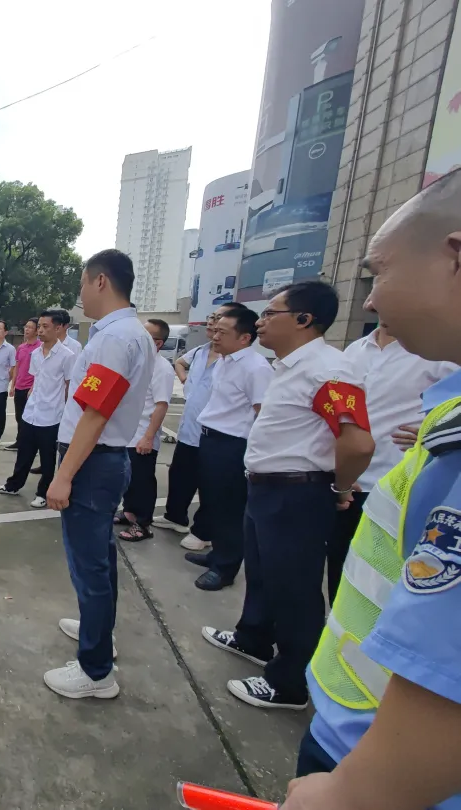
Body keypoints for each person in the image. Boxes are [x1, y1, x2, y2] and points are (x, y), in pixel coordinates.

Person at [279, 168, 461, 810]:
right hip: (359, 723)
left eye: (379, 272)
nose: (370, 300)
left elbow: (448, 672)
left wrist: (352, 794)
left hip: (378, 769)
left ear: (456, 258)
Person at [202, 281, 374, 711]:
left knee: (294, 587)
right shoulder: (288, 366)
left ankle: (291, 681)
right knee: (261, 573)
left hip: (296, 494)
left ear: (303, 319)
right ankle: (253, 638)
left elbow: (357, 443)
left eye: (270, 314)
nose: (259, 322)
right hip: (266, 488)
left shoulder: (328, 370)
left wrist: (339, 486)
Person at [44, 249, 153, 700]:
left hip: (92, 461)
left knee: (89, 566)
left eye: (83, 284)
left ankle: (95, 673)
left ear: (101, 281)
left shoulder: (115, 339)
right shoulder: (129, 334)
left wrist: (63, 476)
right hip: (105, 459)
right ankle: (99, 633)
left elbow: (94, 413)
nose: (80, 295)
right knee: (101, 561)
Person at [327, 313, 456, 604]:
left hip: (397, 484)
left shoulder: (434, 352)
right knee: (341, 562)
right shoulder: (355, 350)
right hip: (349, 479)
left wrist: (431, 432)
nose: (372, 301)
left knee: (385, 572)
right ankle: (339, 628)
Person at [182, 307, 273, 590]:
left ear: (245, 337)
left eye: (223, 332)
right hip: (210, 439)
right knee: (213, 503)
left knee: (231, 509)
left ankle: (225, 568)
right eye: (215, 330)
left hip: (234, 445)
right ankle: (217, 554)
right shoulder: (224, 362)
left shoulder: (256, 368)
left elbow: (263, 414)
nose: (215, 336)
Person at [155, 303, 248, 549]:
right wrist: (185, 382)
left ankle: (203, 531)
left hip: (217, 436)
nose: (212, 324)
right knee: (180, 476)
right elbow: (179, 363)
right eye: (212, 318)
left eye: (219, 320)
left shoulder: (237, 361)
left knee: (210, 485)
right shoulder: (199, 352)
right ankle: (175, 516)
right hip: (189, 430)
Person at [0, 311, 75, 508]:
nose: (41, 330)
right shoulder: (35, 354)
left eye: (46, 327)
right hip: (32, 412)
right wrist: (30, 398)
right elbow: (35, 380)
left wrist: (66, 415)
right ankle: (13, 485)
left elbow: (70, 386)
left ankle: (43, 492)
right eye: (40, 326)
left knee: (47, 459)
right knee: (24, 454)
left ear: (58, 328)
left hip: (52, 416)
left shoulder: (67, 356)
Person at [115, 318, 175, 542]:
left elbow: (161, 405)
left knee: (142, 481)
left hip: (142, 435)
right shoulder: (138, 363)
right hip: (127, 432)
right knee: (129, 479)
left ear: (157, 343)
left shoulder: (162, 369)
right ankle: (129, 512)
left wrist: (149, 437)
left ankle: (143, 523)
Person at [7, 317, 40, 451]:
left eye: (30, 327)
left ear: (37, 331)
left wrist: (33, 388)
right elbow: (17, 368)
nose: (26, 329)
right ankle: (19, 441)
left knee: (30, 418)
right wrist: (13, 385)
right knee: (19, 416)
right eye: (26, 326)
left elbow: (39, 371)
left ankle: (30, 444)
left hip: (30, 389)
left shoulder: (40, 348)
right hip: (19, 387)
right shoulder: (21, 347)